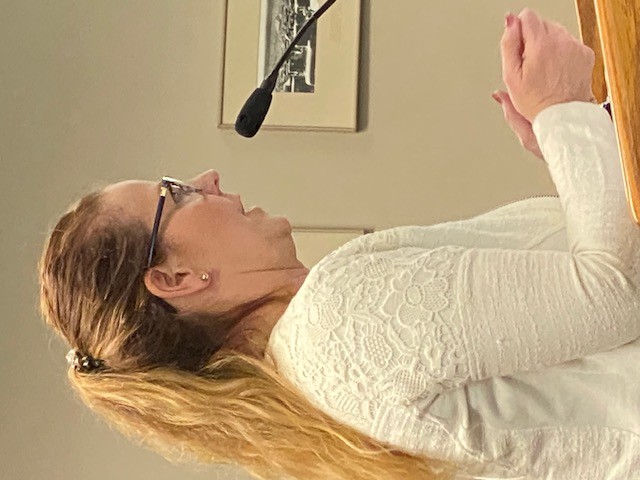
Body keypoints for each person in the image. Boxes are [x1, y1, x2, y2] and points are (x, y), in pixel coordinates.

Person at [39, 8, 640, 480]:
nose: (207, 179)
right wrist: (561, 108)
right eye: (175, 194)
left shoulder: (316, 375)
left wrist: (567, 151)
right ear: (174, 280)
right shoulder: (340, 324)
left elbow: (562, 384)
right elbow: (614, 292)